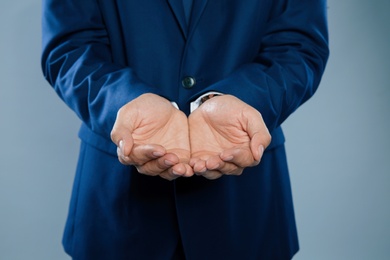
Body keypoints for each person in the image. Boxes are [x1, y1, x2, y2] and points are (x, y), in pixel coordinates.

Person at [41, 0, 329, 259]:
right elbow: (69, 47)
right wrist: (125, 102)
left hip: (243, 209)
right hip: (117, 208)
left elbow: (299, 46)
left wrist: (244, 99)